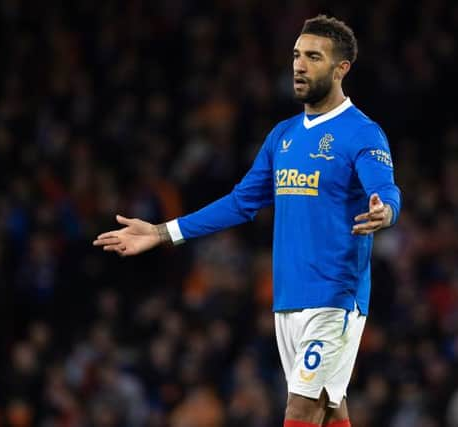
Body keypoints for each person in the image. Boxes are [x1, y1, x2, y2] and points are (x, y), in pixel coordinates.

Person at [93, 15, 401, 427]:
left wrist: (385, 211)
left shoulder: (362, 133)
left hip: (335, 297)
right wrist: (162, 231)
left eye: (313, 57)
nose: (299, 66)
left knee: (300, 411)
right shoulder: (283, 136)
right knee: (329, 409)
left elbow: (386, 189)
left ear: (341, 68)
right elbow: (242, 202)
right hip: (288, 299)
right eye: (296, 56)